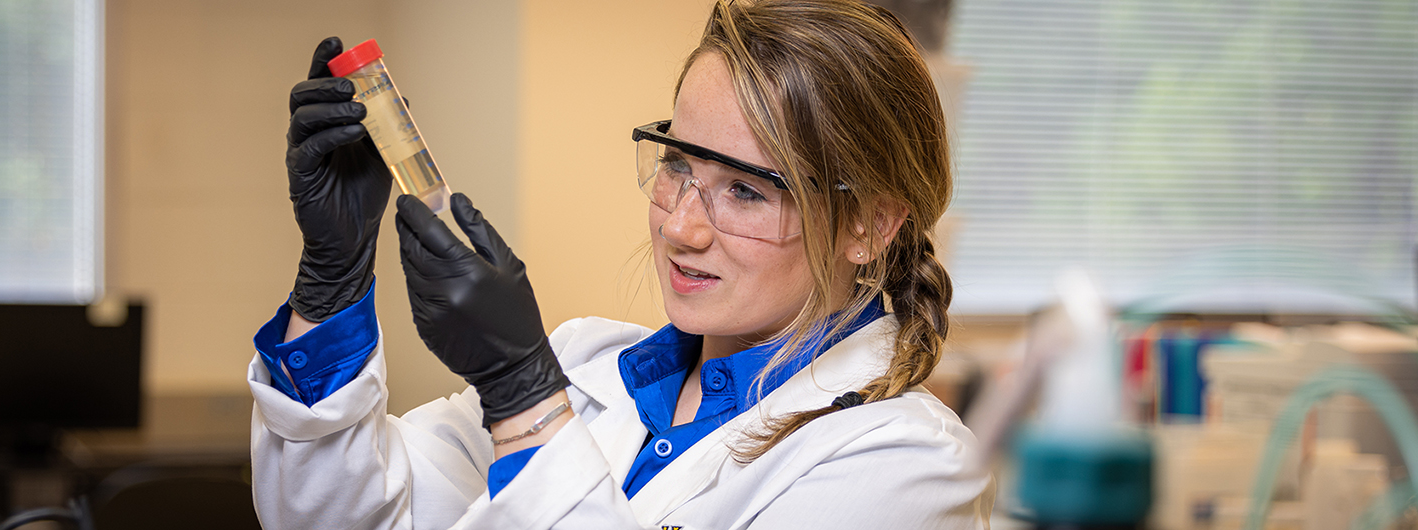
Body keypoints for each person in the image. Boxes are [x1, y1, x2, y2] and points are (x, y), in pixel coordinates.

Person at [249, 0, 992, 528]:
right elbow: (342, 516)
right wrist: (331, 282)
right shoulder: (585, 365)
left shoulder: (908, 466)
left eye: (745, 189)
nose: (680, 225)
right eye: (676, 164)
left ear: (868, 223)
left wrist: (525, 403)